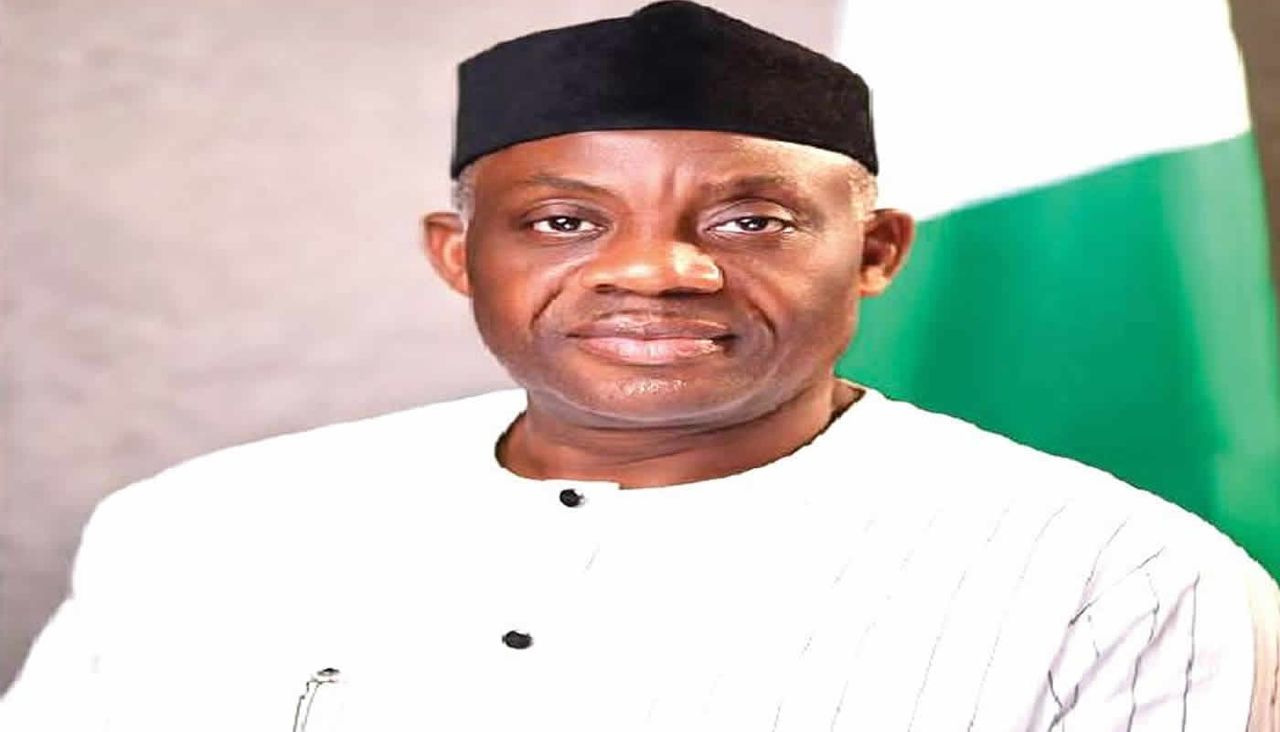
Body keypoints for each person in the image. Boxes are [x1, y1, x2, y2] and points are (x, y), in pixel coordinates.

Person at [1, 1, 1277, 730]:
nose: (657, 270)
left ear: (875, 251)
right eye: (565, 221)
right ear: (457, 255)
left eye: (750, 220)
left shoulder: (1122, 581)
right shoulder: (199, 528)